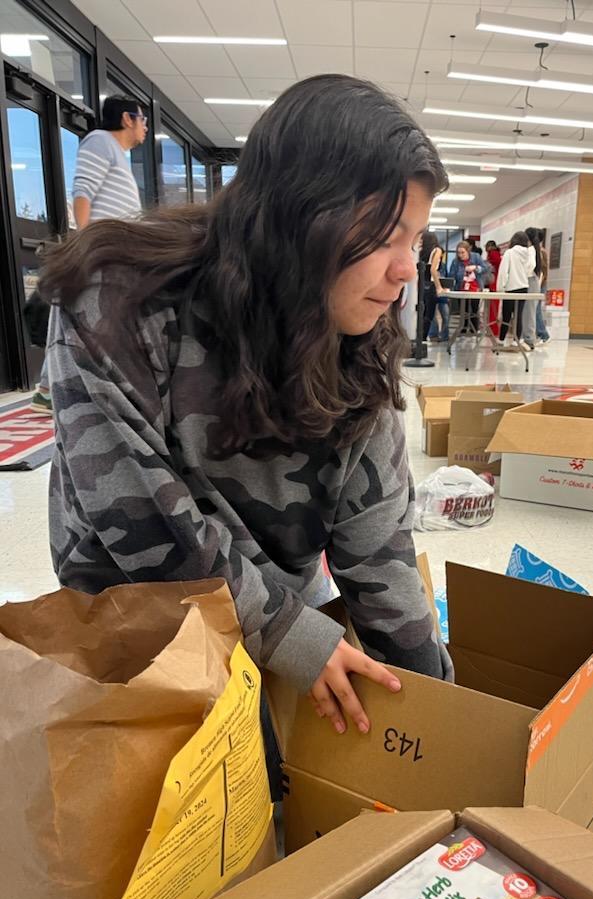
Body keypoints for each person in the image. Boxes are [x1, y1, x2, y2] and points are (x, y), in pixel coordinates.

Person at [40, 75, 453, 764]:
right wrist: (290, 637)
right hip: (128, 600)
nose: (408, 269)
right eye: (387, 236)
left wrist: (442, 717)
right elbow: (143, 525)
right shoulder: (116, 299)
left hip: (277, 590)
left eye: (417, 238)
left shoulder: (360, 342)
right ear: (304, 217)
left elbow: (380, 548)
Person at [30, 94, 147, 413]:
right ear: (127, 119)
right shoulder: (101, 141)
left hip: (113, 249)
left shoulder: (116, 153)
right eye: (143, 120)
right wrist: (85, 243)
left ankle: (48, 387)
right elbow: (83, 191)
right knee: (92, 314)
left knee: (96, 315)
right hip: (103, 249)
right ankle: (48, 388)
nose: (145, 128)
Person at [497, 231, 533, 345]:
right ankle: (516, 340)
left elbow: (503, 271)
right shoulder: (529, 253)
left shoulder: (510, 252)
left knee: (506, 315)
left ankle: (501, 339)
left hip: (511, 287)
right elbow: (530, 269)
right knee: (518, 315)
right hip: (523, 287)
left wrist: (500, 288)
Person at [449, 240, 485, 333]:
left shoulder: (476, 257)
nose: (460, 255)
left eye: (462, 252)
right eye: (458, 252)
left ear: (468, 251)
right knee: (463, 310)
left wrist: (475, 268)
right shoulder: (455, 262)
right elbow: (451, 275)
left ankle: (474, 329)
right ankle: (464, 328)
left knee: (474, 310)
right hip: (461, 289)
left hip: (475, 288)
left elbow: (485, 268)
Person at [419, 230, 445, 342]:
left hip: (420, 283)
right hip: (430, 285)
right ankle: (422, 338)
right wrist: (439, 287)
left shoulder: (421, 251)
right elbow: (433, 270)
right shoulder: (437, 250)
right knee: (429, 314)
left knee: (421, 312)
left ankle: (418, 338)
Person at [523, 226, 544, 345]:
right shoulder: (535, 249)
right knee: (530, 312)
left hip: (530, 281)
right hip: (533, 281)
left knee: (529, 312)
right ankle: (528, 337)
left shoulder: (531, 250)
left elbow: (530, 266)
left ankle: (529, 338)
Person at [535, 227, 550, 343]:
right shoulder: (537, 251)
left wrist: (539, 285)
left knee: (536, 310)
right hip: (539, 284)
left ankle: (543, 334)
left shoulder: (541, 252)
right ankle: (539, 333)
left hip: (540, 284)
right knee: (535, 309)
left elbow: (542, 271)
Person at [485, 240, 502, 337]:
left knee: (492, 309)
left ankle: (492, 329)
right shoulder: (496, 254)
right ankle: (492, 329)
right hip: (495, 284)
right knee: (493, 309)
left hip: (493, 284)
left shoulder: (493, 254)